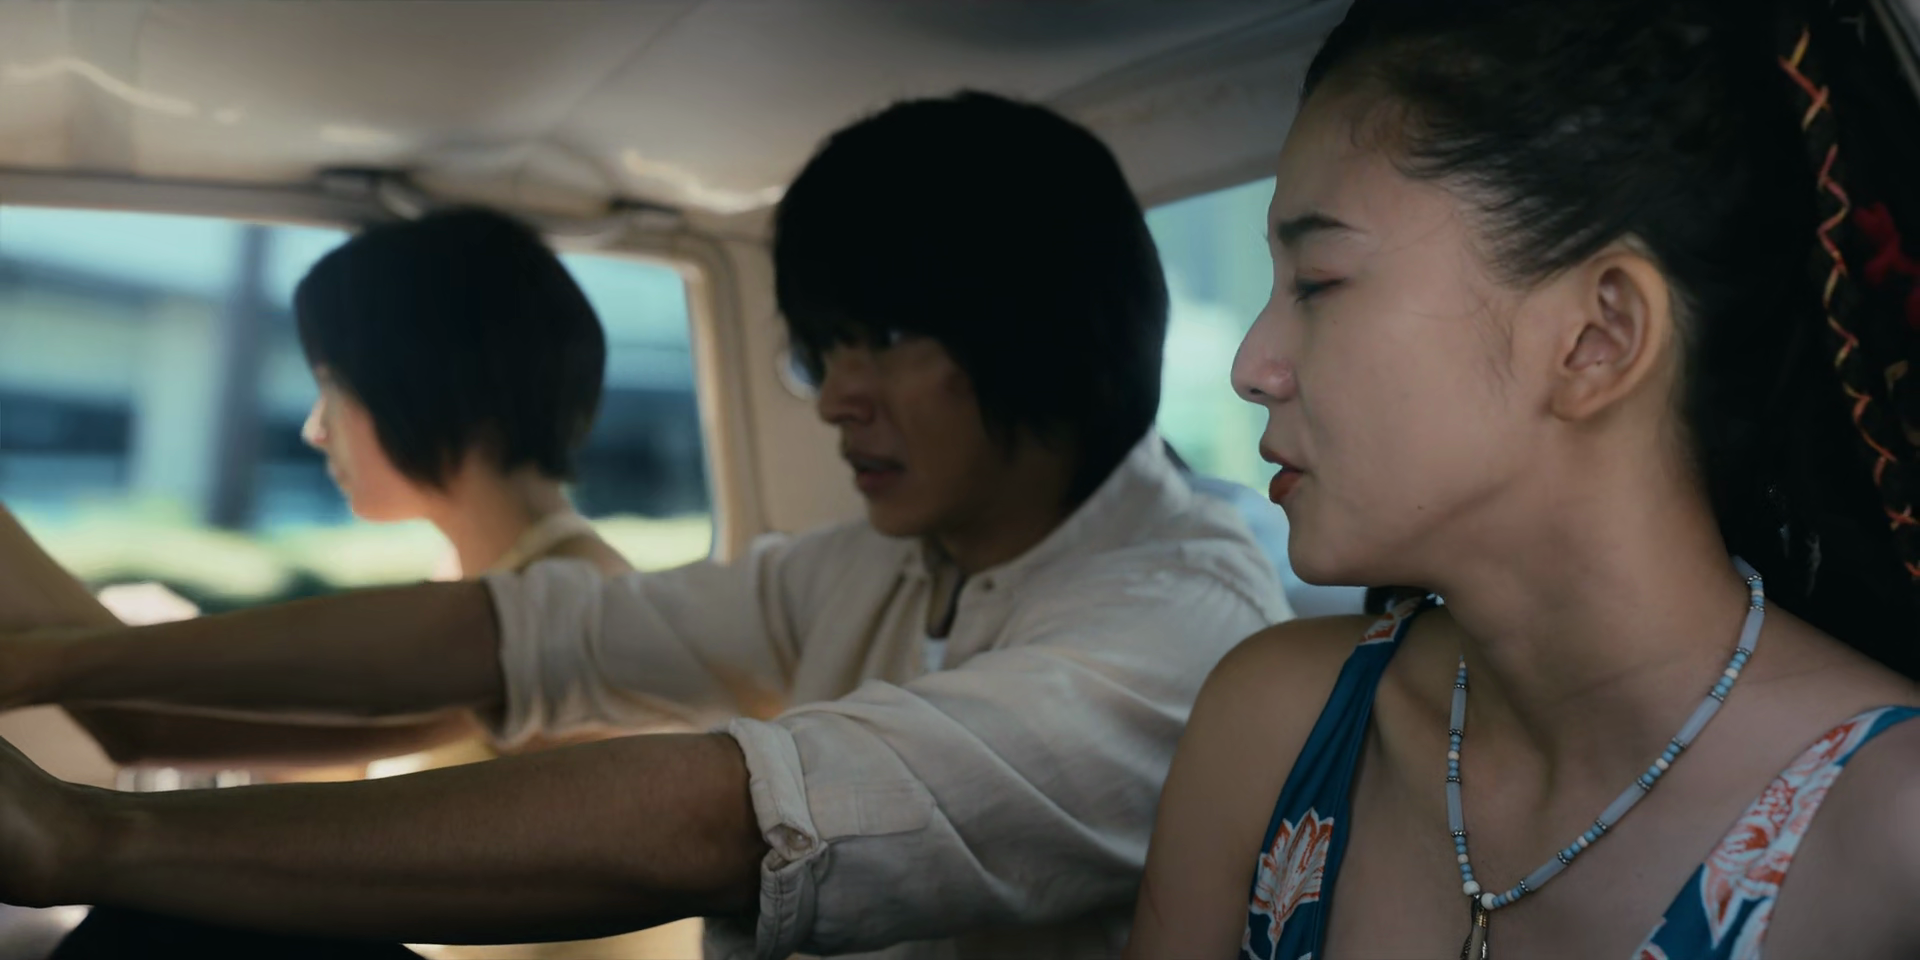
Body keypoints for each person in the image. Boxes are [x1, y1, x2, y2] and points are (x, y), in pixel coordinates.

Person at [0, 91, 1290, 959]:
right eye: (825, 348)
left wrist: (93, 837)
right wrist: (53, 664)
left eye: (886, 337)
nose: (836, 397)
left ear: (1043, 330)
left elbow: (736, 815)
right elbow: (519, 635)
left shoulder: (1175, 626)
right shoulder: (888, 562)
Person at [1125, 2, 1920, 958]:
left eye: (1318, 281)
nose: (1252, 367)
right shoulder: (1270, 727)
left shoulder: (1889, 838)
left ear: (1597, 337)